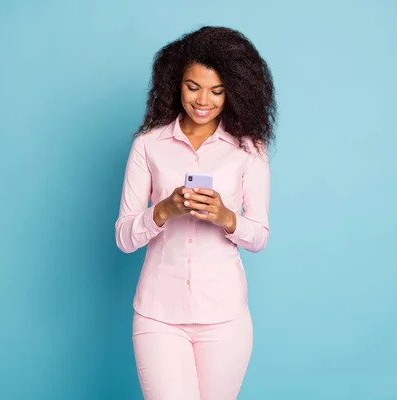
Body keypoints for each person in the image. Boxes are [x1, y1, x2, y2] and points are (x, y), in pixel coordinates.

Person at [114, 26, 276, 400]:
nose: (203, 100)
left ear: (234, 92)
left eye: (217, 91)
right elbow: (124, 237)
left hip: (225, 318)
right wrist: (164, 210)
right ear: (175, 84)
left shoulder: (249, 149)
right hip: (159, 315)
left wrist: (226, 217)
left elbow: (260, 235)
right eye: (193, 87)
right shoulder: (148, 146)